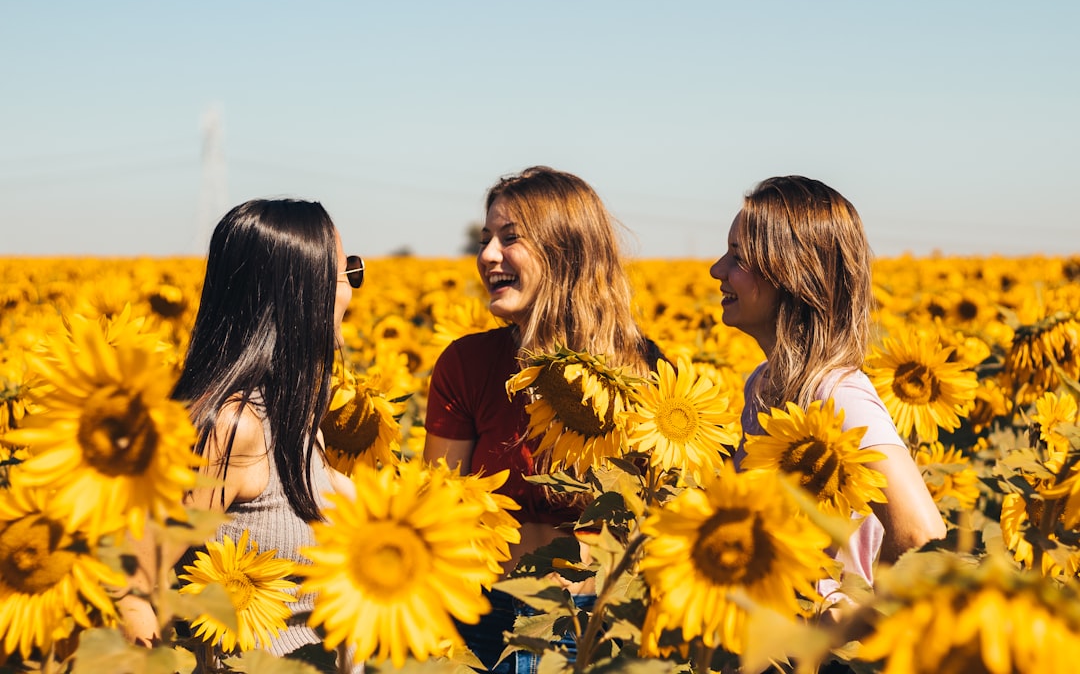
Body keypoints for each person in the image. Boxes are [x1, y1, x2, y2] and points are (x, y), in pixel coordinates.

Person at [423, 166, 662, 673]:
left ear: (566, 250)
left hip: (590, 623)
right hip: (482, 619)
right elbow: (437, 505)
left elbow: (653, 516)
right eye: (487, 238)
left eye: (510, 238)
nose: (487, 255)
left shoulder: (643, 373)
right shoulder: (467, 364)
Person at [117, 198, 364, 672]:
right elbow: (130, 579)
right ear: (303, 291)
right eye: (344, 274)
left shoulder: (294, 417)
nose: (352, 292)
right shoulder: (233, 427)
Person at [709, 175, 946, 609]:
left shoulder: (837, 394)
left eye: (738, 257)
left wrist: (860, 625)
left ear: (791, 273)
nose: (717, 270)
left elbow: (920, 535)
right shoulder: (763, 385)